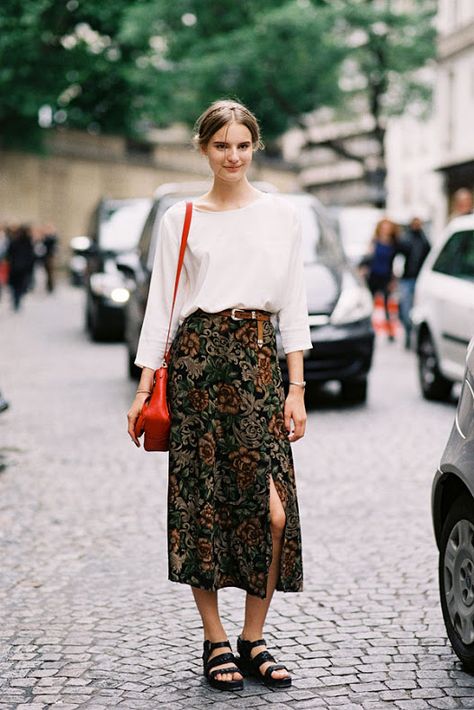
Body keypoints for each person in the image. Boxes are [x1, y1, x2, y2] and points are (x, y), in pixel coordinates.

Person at [127, 99, 312, 692]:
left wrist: (297, 386)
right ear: (203, 149)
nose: (232, 156)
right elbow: (161, 306)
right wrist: (143, 384)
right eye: (220, 145)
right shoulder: (181, 218)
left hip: (260, 365)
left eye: (242, 145)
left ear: (255, 146)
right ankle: (215, 640)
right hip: (198, 365)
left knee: (273, 509)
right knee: (202, 507)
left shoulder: (282, 215)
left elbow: (296, 307)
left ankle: (254, 637)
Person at [361, 218, 400, 342]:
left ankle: (390, 332)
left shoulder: (394, 244)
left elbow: (395, 262)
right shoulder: (374, 242)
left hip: (386, 276)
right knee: (371, 304)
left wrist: (393, 280)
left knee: (388, 305)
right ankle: (369, 330)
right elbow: (367, 258)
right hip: (373, 276)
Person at [397, 217, 431, 349]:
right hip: (407, 279)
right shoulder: (406, 239)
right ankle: (408, 332)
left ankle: (412, 336)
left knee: (417, 310)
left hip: (419, 280)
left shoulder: (424, 240)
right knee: (405, 309)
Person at [6, 224, 35, 311]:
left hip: (15, 267)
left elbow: (9, 254)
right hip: (22, 268)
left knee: (15, 286)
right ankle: (17, 300)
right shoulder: (28, 242)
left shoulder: (15, 241)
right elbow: (31, 256)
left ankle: (16, 300)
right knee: (19, 286)